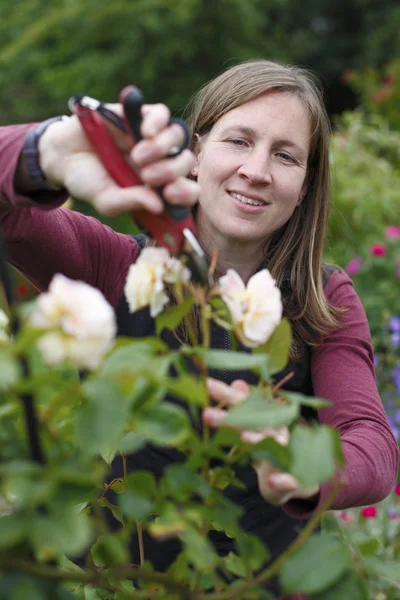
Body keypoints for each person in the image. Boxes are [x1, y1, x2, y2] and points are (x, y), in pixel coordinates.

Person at [0, 59, 399, 598]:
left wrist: (307, 465)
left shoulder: (320, 299)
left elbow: (372, 444)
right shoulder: (115, 265)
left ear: (304, 185)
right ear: (196, 153)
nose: (257, 170)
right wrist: (43, 152)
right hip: (114, 581)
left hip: (257, 587)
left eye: (285, 155)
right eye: (238, 141)